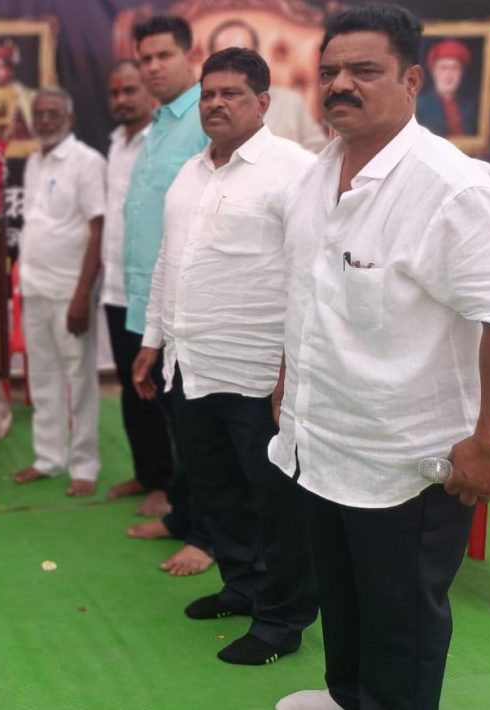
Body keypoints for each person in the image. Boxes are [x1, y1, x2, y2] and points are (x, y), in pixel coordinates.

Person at [273, 6, 490, 709]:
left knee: (399, 621)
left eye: (364, 70)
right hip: (324, 441)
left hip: (408, 462)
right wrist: (289, 388)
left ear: (412, 80)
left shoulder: (454, 188)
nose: (341, 85)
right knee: (344, 599)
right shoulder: (316, 176)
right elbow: (308, 297)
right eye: (330, 72)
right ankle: (348, 698)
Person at [133, 47, 318, 667]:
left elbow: (309, 275)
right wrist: (152, 341)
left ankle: (282, 619)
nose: (215, 103)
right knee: (218, 492)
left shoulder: (295, 171)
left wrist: (293, 369)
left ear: (263, 102)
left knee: (276, 502)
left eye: (231, 93)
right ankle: (241, 587)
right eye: (209, 93)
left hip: (260, 374)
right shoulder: (191, 172)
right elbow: (169, 262)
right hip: (192, 366)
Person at [121, 15, 214, 576]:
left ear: (188, 55)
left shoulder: (206, 117)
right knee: (175, 422)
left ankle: (208, 537)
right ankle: (184, 517)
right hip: (150, 300)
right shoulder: (158, 124)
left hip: (195, 304)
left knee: (202, 431)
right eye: (145, 59)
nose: (152, 67)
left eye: (163, 56)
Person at [11, 87, 106, 499]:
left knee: (79, 378)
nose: (45, 120)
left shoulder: (87, 162)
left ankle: (84, 465)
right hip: (34, 287)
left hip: (71, 291)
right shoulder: (34, 161)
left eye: (53, 113)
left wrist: (83, 295)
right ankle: (48, 458)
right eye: (39, 114)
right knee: (43, 376)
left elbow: (98, 229)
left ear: (70, 118)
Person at [99, 60, 174, 516]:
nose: (121, 99)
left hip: (151, 288)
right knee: (131, 387)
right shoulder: (114, 144)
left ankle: (168, 486)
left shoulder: (162, 142)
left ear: (150, 94)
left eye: (130, 90)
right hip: (115, 286)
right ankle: (146, 473)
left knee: (156, 390)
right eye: (114, 92)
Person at [206, 17, 329, 152]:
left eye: (242, 59)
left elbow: (320, 153)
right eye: (224, 61)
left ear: (258, 58)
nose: (233, 67)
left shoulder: (292, 103)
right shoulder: (203, 109)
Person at [417, 38, 478, 138]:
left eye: (454, 68)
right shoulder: (420, 106)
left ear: (461, 73)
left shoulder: (471, 106)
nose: (449, 75)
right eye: (443, 68)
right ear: (434, 72)